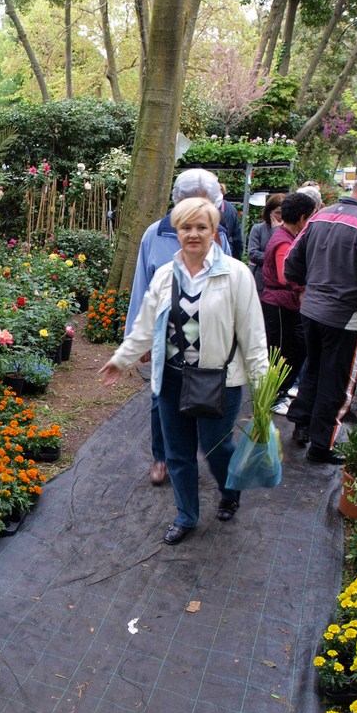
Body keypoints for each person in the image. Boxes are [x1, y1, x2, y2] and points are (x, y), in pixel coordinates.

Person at [101, 198, 268, 544]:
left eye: (201, 227)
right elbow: (145, 325)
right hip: (172, 378)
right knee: (177, 453)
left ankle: (229, 491)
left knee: (217, 449)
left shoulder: (235, 275)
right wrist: (122, 359)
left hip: (218, 380)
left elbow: (253, 334)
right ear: (176, 231)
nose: (193, 234)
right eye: (186, 227)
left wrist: (262, 385)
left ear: (214, 231)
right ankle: (186, 515)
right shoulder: (166, 275)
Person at [124, 168, 236, 487]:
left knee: (203, 396)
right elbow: (142, 285)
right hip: (166, 334)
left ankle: (185, 457)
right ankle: (162, 457)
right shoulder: (155, 234)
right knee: (161, 397)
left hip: (205, 334)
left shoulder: (219, 236)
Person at [284, 168, 357, 464]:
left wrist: (303, 289)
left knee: (313, 370)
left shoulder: (320, 215)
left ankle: (301, 426)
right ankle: (322, 446)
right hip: (347, 318)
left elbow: (291, 261)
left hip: (312, 311)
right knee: (338, 382)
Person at [261, 193, 317, 414]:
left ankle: (280, 392)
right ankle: (273, 398)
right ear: (302, 217)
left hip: (284, 303)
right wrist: (303, 288)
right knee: (280, 352)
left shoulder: (286, 235)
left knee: (292, 348)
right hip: (279, 304)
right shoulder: (283, 241)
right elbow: (285, 276)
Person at [247, 193, 285, 296]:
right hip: (260, 281)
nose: (280, 217)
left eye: (283, 213)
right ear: (269, 212)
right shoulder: (258, 229)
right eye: (277, 213)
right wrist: (275, 258)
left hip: (281, 285)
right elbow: (252, 253)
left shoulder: (290, 230)